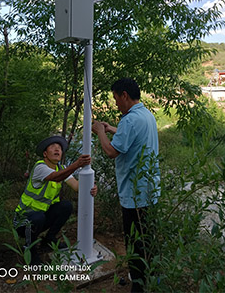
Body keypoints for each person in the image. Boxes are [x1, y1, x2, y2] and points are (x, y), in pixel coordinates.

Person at [92, 78, 160, 293]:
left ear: (124, 95)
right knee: (147, 237)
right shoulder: (146, 115)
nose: (116, 104)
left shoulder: (129, 120)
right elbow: (131, 138)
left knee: (135, 241)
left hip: (134, 192)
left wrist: (100, 131)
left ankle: (138, 286)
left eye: (116, 99)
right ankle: (149, 276)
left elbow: (112, 152)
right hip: (149, 189)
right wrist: (112, 128)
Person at [13, 136, 97, 264]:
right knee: (38, 217)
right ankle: (30, 248)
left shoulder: (61, 169)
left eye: (59, 148)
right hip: (23, 221)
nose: (57, 149)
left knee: (66, 206)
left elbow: (76, 186)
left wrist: (91, 186)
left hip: (41, 217)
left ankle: (49, 240)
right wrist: (77, 165)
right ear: (45, 154)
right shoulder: (40, 167)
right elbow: (56, 177)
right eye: (52, 147)